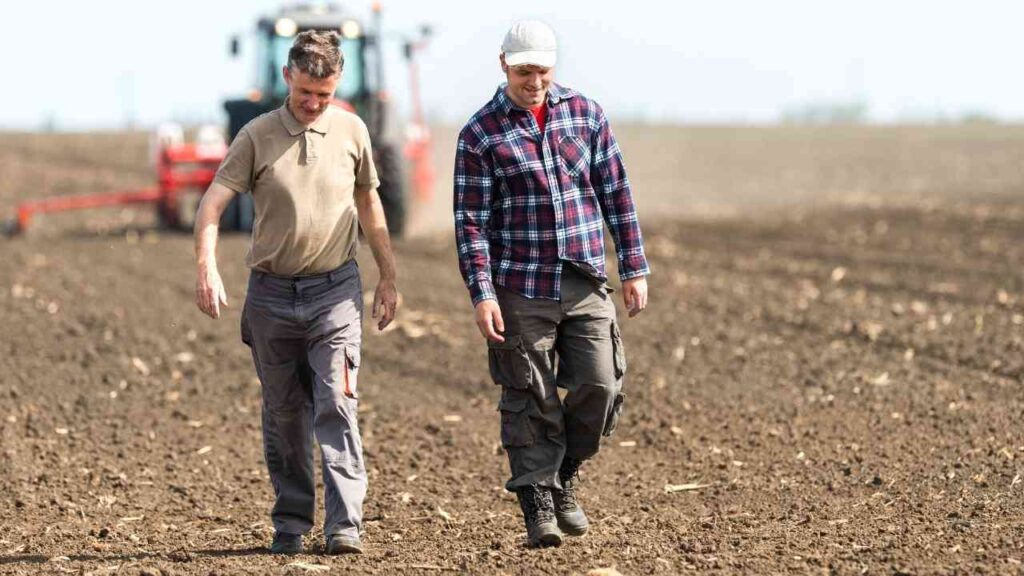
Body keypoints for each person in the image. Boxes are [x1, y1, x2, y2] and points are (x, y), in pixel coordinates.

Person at [193, 30, 398, 555]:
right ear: (288, 76)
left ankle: (344, 525)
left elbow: (370, 206)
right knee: (284, 414)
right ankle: (290, 520)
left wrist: (388, 276)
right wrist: (207, 269)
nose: (313, 104)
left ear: (337, 86)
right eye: (305, 92)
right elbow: (212, 206)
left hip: (336, 293)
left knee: (338, 402)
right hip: (271, 297)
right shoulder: (256, 134)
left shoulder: (352, 130)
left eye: (324, 96)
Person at [453, 20, 650, 548]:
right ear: (503, 65)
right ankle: (539, 501)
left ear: (553, 66)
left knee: (600, 386)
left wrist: (633, 266)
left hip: (584, 279)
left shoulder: (586, 115)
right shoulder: (479, 134)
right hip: (520, 284)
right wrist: (483, 294)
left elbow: (617, 193)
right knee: (530, 395)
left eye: (541, 70)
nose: (533, 80)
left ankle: (565, 473)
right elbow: (471, 223)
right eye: (523, 71)